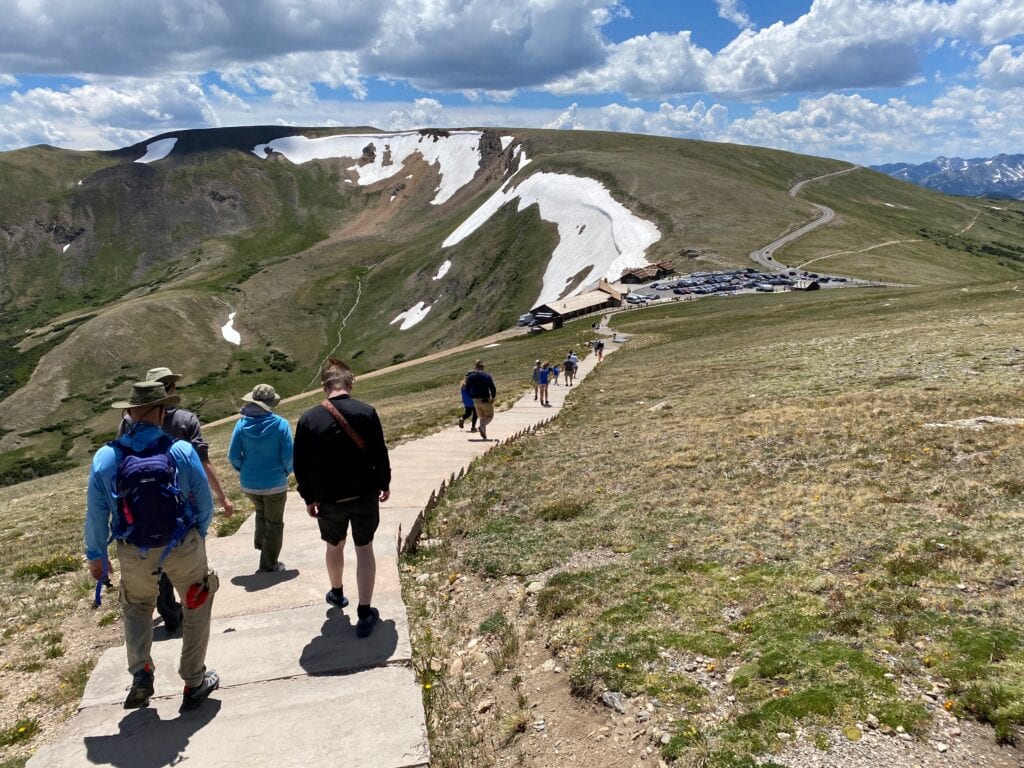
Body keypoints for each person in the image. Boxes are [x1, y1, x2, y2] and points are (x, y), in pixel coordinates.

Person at [85, 381, 220, 711]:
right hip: (182, 543)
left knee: (137, 606)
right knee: (196, 602)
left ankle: (142, 673)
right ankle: (194, 680)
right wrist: (195, 537)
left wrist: (96, 556)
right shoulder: (181, 451)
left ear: (129, 413)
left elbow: (96, 514)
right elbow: (204, 506)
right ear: (161, 412)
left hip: (134, 548)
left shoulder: (106, 458)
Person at [118, 367, 234, 634]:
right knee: (188, 567)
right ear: (170, 388)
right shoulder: (185, 420)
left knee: (156, 564)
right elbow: (203, 463)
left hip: (140, 513)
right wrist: (222, 498)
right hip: (185, 513)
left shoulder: (127, 422)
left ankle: (170, 615)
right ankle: (191, 620)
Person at [294, 358, 391, 638]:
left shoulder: (308, 419)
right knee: (364, 548)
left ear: (325, 387)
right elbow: (379, 452)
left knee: (334, 545)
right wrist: (384, 482)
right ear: (349, 383)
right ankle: (364, 612)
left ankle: (337, 592)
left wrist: (308, 497)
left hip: (328, 499)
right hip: (364, 494)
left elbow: (300, 464)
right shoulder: (366, 412)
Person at [228, 384, 293, 572]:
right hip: (275, 483)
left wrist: (243, 470)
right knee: (274, 523)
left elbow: (233, 456)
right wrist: (286, 472)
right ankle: (269, 563)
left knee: (261, 511)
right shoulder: (281, 424)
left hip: (249, 483)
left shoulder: (240, 425)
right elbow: (288, 456)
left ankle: (261, 544)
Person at [465, 359, 497, 440]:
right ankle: (482, 427)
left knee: (482, 417)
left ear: (475, 367)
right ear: (483, 367)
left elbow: (466, 389)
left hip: (475, 400)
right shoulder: (487, 376)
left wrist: (471, 396)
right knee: (489, 416)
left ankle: (484, 435)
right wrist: (493, 397)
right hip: (485, 399)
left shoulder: (470, 377)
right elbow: (492, 388)